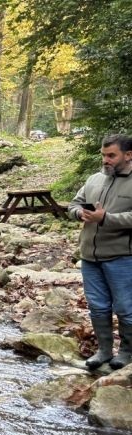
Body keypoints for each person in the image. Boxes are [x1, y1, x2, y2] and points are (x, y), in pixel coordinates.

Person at [69, 134, 132, 373]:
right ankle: (104, 350)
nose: (106, 160)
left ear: (128, 155)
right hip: (90, 257)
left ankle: (127, 352)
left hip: (122, 257)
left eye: (111, 155)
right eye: (104, 155)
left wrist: (106, 218)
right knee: (97, 306)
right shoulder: (95, 179)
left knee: (126, 307)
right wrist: (79, 214)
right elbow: (73, 204)